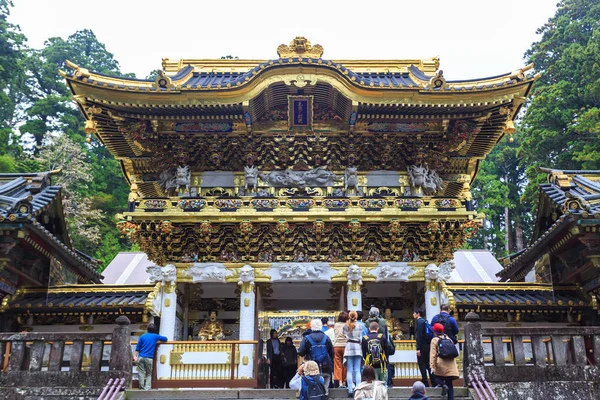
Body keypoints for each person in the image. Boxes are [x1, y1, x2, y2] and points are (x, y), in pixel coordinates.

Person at [298, 319, 334, 396]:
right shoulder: (326, 337)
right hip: (325, 365)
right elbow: (331, 352)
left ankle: (312, 393)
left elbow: (301, 351)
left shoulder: (307, 338)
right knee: (326, 377)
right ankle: (325, 392)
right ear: (321, 326)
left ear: (311, 327)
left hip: (311, 366)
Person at [133, 323, 167, 390]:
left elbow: (137, 348)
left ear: (147, 329)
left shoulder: (142, 336)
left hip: (141, 357)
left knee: (141, 373)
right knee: (149, 374)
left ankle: (141, 387)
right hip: (149, 358)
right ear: (155, 330)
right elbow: (165, 339)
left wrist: (135, 356)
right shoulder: (155, 336)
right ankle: (147, 387)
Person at [430, 323, 459, 400]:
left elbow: (433, 354)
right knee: (450, 383)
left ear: (435, 332)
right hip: (450, 364)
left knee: (436, 377)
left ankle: (443, 385)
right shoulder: (448, 338)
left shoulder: (434, 340)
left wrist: (432, 366)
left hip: (441, 363)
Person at [343, 311, 363, 398]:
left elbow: (344, 335)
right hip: (357, 346)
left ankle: (350, 390)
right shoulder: (360, 325)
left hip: (348, 347)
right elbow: (361, 338)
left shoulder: (345, 326)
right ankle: (358, 389)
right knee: (357, 370)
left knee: (349, 370)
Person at [413, 309, 432, 387]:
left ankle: (425, 381)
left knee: (422, 364)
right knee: (428, 363)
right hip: (427, 345)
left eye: (414, 313)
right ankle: (433, 381)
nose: (413, 315)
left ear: (418, 314)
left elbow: (419, 336)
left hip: (422, 346)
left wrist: (418, 348)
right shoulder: (424, 321)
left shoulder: (419, 322)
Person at [333, 311, 349, 387]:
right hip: (345, 345)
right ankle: (344, 381)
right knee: (345, 364)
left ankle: (339, 382)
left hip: (336, 346)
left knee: (337, 365)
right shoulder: (347, 325)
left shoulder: (335, 325)